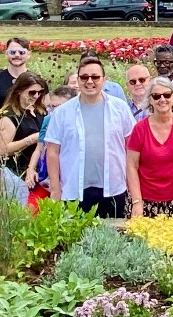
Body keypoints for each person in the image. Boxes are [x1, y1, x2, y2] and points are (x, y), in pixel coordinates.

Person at [42, 57, 137, 217]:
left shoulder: (119, 108)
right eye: (84, 77)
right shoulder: (62, 112)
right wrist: (55, 188)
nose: (90, 81)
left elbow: (131, 146)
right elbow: (52, 152)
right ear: (78, 80)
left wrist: (133, 186)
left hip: (113, 187)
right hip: (74, 190)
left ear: (104, 80)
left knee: (112, 238)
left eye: (95, 77)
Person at [126, 77, 173, 217]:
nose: (162, 99)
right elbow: (131, 166)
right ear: (150, 100)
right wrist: (136, 201)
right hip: (144, 200)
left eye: (167, 95)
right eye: (156, 96)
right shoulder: (139, 129)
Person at [0, 72, 48, 197]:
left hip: (40, 172)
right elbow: (2, 150)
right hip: (17, 173)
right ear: (19, 91)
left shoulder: (41, 111)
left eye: (39, 92)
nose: (36, 96)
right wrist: (30, 139)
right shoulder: (9, 117)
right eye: (32, 92)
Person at [0, 37, 31, 113]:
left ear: (28, 54)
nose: (17, 55)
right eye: (12, 52)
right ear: (6, 54)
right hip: (1, 124)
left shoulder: (37, 81)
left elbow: (44, 111)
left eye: (21, 52)